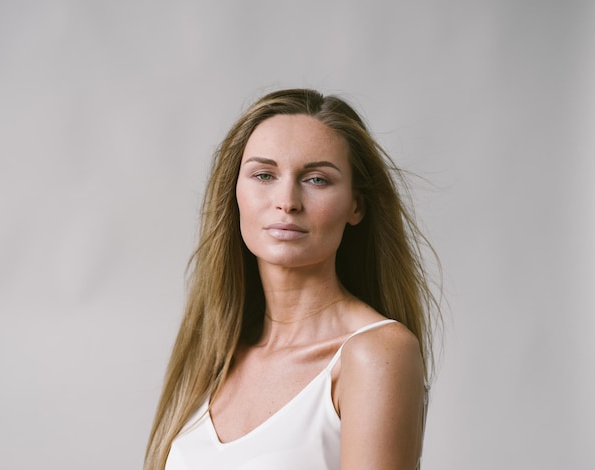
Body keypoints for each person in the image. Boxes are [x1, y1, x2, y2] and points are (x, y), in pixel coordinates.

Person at [144, 88, 441, 470]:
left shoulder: (375, 355)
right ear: (234, 192)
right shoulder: (216, 353)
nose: (287, 201)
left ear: (356, 205)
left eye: (316, 179)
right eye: (264, 175)